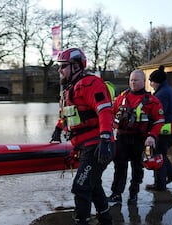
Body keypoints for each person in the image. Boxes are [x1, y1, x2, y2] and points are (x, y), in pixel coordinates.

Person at [50, 48, 115, 225]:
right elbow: (67, 115)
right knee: (93, 185)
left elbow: (104, 111)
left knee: (81, 187)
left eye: (63, 67)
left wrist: (105, 138)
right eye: (59, 67)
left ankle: (82, 221)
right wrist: (57, 130)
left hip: (96, 145)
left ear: (76, 66)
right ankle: (106, 219)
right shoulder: (68, 91)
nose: (59, 71)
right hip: (84, 145)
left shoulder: (90, 84)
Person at [107, 69, 165, 205]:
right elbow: (110, 114)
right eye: (131, 80)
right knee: (119, 167)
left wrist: (152, 136)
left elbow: (159, 121)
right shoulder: (121, 98)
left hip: (141, 140)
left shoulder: (152, 101)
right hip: (122, 138)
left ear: (143, 82)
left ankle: (133, 194)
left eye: (136, 80)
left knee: (137, 168)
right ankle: (116, 194)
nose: (133, 82)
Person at [146, 65, 172, 191]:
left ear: (158, 81)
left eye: (152, 81)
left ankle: (160, 184)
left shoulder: (162, 94)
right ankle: (171, 174)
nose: (151, 84)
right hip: (171, 128)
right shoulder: (168, 89)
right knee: (162, 155)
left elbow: (158, 114)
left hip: (163, 130)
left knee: (158, 156)